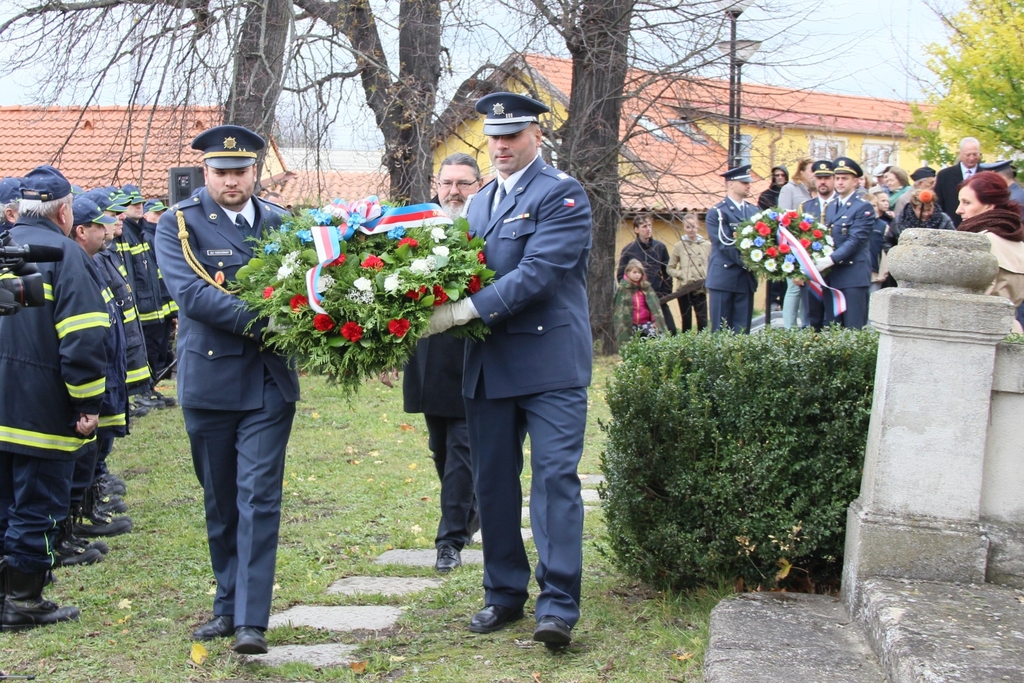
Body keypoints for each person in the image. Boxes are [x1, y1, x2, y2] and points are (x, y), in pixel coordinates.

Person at [425, 92, 592, 648]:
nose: (500, 145)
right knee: (492, 482)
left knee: (554, 481)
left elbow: (540, 272)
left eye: (512, 134)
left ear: (535, 136)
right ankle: (502, 594)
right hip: (489, 364)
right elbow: (458, 272)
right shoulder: (479, 204)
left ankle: (558, 605)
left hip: (549, 364)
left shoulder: (561, 193)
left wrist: (464, 312)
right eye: (494, 136)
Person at [154, 124, 299, 655]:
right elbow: (194, 296)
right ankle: (227, 603)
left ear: (255, 172)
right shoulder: (179, 224)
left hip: (268, 380)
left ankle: (250, 621)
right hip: (211, 380)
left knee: (258, 497)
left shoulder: (282, 223)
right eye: (221, 172)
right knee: (221, 500)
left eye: (240, 171)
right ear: (205, 172)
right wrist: (274, 320)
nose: (231, 181)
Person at [0, 165, 108, 630]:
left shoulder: (4, 246)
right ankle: (24, 600)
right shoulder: (66, 255)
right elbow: (83, 338)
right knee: (38, 505)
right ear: (65, 213)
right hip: (41, 410)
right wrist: (88, 404)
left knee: (4, 505)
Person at [403, 153, 483, 574]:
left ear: (478, 186)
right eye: (447, 183)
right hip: (429, 354)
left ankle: (449, 541)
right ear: (436, 185)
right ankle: (472, 511)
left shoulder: (488, 223)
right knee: (440, 449)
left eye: (463, 183)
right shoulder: (416, 225)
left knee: (462, 451)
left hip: (474, 351)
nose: (454, 191)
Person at [57, 196, 130, 565]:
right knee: (75, 461)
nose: (109, 230)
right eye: (101, 225)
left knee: (90, 456)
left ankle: (77, 518)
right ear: (81, 230)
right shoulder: (74, 266)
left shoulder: (92, 263)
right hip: (82, 385)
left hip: (102, 375)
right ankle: (64, 533)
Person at [956, 171, 1024, 324]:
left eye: (967, 202)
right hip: (1010, 326)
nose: (958, 210)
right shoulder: (1018, 242)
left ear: (989, 205)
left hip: (975, 325)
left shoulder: (980, 242)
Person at [816, 157, 874, 328]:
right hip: (833, 276)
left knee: (853, 328)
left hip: (853, 275)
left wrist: (830, 259)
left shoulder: (862, 207)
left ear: (855, 182)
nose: (840, 182)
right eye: (837, 178)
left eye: (845, 178)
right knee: (833, 329)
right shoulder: (831, 206)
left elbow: (855, 240)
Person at [706, 164, 758, 332]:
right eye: (744, 182)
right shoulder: (718, 212)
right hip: (724, 278)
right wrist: (750, 262)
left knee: (742, 332)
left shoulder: (753, 211)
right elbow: (725, 243)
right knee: (721, 332)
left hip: (745, 279)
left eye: (748, 182)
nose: (748, 185)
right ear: (731, 184)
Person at [616, 214, 676, 334]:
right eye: (644, 226)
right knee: (637, 335)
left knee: (671, 330)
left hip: (657, 297)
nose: (648, 229)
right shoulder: (628, 250)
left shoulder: (660, 247)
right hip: (637, 301)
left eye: (649, 225)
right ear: (636, 229)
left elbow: (667, 273)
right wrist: (633, 292)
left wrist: (665, 293)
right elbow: (621, 276)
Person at [799, 160, 837, 330]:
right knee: (812, 319)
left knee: (834, 320)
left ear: (834, 179)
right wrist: (797, 270)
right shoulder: (806, 207)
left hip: (836, 270)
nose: (823, 182)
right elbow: (798, 239)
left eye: (827, 178)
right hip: (812, 272)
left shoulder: (840, 205)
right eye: (819, 178)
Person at [776, 159, 814, 329]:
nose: (815, 175)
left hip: (812, 245)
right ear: (801, 172)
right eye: (812, 171)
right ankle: (789, 329)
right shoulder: (789, 188)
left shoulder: (815, 190)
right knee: (794, 287)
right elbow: (783, 217)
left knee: (809, 288)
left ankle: (806, 325)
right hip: (793, 244)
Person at [666, 213, 710, 332]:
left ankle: (704, 343)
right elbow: (670, 268)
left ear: (698, 226)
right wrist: (682, 274)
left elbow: (714, 265)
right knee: (686, 323)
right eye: (688, 227)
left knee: (703, 323)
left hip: (700, 287)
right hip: (684, 288)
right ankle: (686, 343)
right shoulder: (679, 246)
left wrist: (707, 276)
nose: (691, 230)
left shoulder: (707, 245)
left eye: (693, 226)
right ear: (684, 228)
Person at [882, 188, 954, 254]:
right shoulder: (899, 221)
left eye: (929, 210)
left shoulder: (943, 219)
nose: (926, 213)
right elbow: (888, 241)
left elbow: (952, 241)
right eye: (923, 210)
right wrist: (897, 256)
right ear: (913, 207)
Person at [613, 258, 667, 343]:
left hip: (646, 323)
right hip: (630, 326)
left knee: (657, 338)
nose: (637, 275)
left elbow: (654, 307)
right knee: (628, 343)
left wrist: (655, 321)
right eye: (634, 272)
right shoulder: (623, 289)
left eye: (639, 272)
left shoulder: (646, 288)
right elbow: (619, 310)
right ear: (628, 273)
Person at [935, 137, 982, 227]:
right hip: (951, 227)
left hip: (979, 226)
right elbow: (938, 205)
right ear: (960, 154)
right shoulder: (944, 176)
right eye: (968, 155)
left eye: (975, 154)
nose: (972, 158)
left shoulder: (986, 175)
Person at [434, 152, 483, 219]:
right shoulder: (422, 222)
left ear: (480, 185)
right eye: (447, 183)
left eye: (463, 183)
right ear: (438, 186)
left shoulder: (492, 221)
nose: (453, 192)